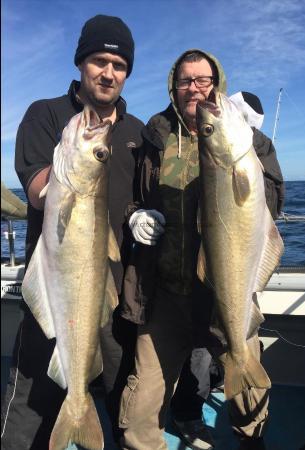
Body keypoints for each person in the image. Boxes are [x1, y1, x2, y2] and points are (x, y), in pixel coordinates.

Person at [117, 49, 284, 450]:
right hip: (163, 293)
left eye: (203, 80)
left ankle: (252, 440)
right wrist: (135, 217)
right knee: (139, 411)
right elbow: (134, 197)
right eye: (185, 80)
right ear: (173, 86)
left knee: (248, 389)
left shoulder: (249, 141)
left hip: (224, 291)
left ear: (217, 84)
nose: (194, 88)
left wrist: (249, 154)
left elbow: (274, 200)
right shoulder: (153, 137)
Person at [1, 15, 143, 449]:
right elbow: (40, 192)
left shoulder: (139, 132)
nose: (108, 73)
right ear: (81, 64)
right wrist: (74, 157)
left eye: (119, 65)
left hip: (119, 294)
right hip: (58, 287)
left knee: (126, 406)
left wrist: (143, 216)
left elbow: (144, 197)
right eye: (99, 61)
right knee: (29, 410)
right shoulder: (46, 116)